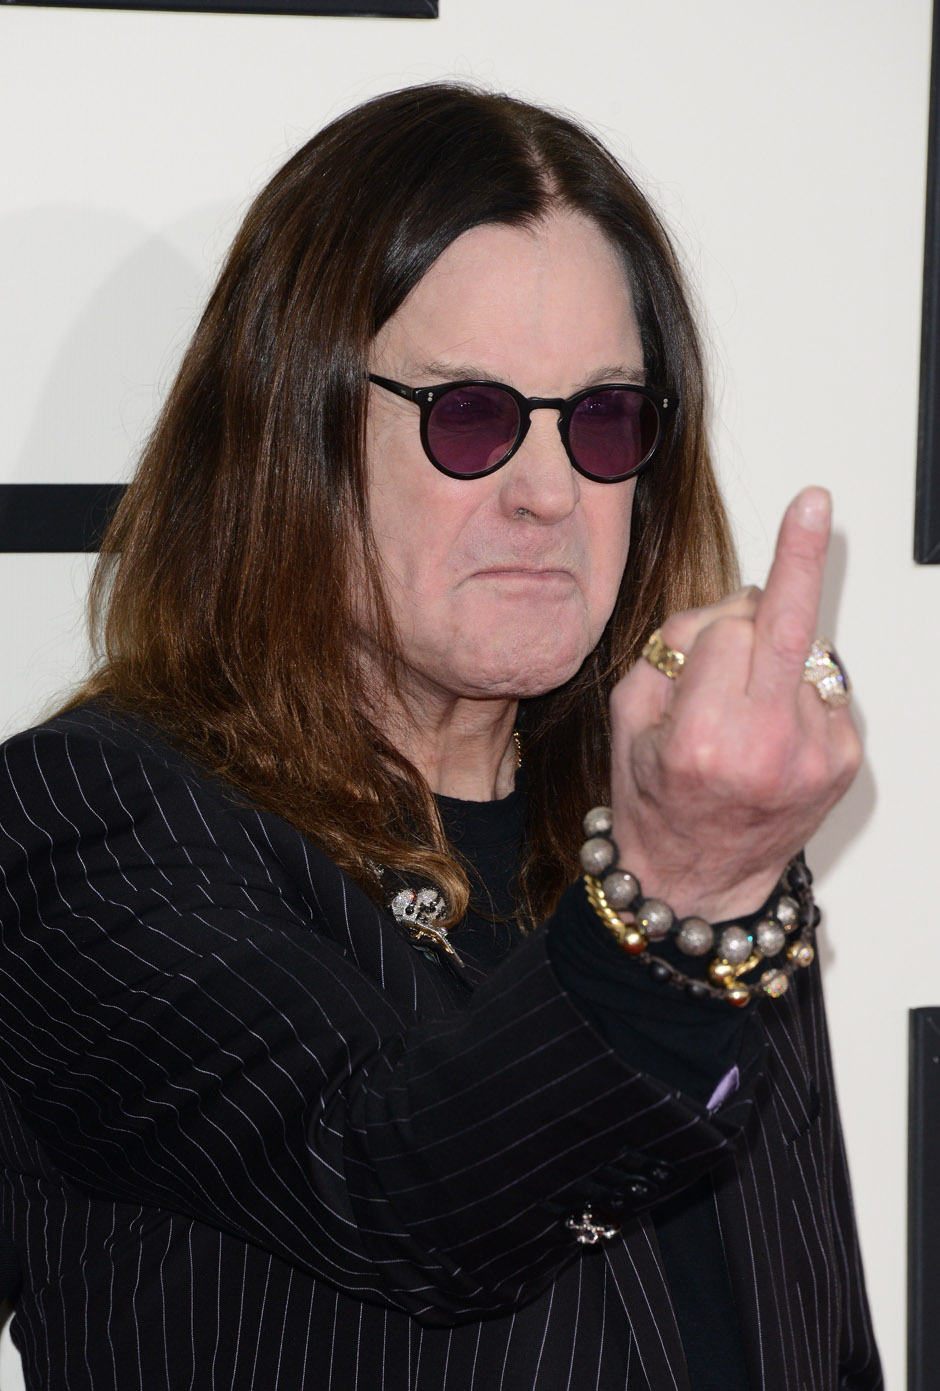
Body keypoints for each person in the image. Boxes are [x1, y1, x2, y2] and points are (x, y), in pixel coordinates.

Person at [0, 83, 881, 1390]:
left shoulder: (667, 824)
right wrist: (678, 896)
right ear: (290, 432)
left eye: (604, 419)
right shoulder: (90, 826)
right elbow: (398, 1188)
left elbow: (815, 1335)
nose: (550, 492)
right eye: (471, 415)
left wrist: (694, 872)